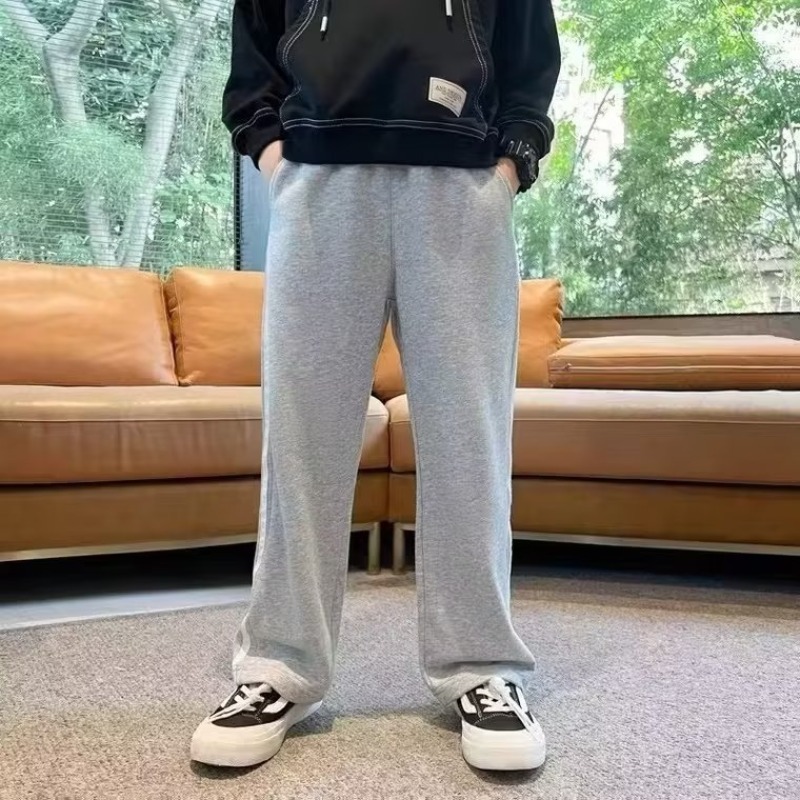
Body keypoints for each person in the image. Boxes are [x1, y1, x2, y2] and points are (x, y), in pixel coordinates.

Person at [191, 0, 561, 772]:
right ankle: (278, 664)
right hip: (320, 182)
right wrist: (276, 159)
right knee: (302, 440)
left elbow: (530, 59)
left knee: (469, 440)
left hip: (461, 186)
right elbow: (253, 57)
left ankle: (481, 664)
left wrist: (510, 165)